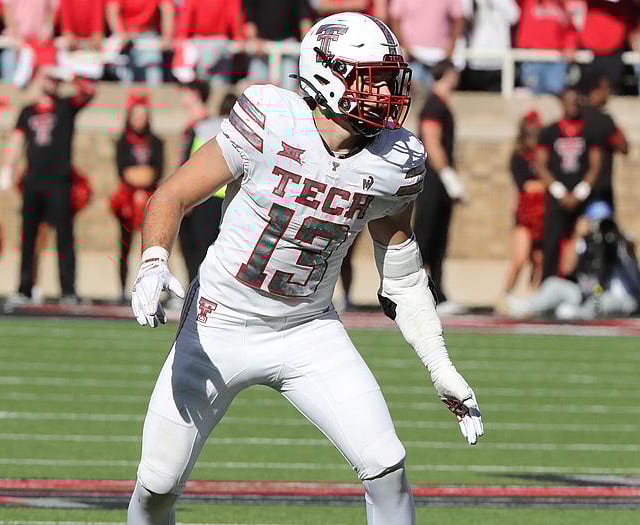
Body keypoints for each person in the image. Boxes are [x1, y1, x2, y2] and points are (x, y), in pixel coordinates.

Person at [126, 12, 483, 525]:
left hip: (308, 329)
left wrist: (439, 363)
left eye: (388, 77)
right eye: (371, 77)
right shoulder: (271, 118)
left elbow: (401, 273)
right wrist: (154, 262)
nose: (385, 91)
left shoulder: (395, 160)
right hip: (217, 320)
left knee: (387, 467)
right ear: (326, 74)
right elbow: (173, 195)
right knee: (156, 486)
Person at [0, 66, 96, 305]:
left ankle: (68, 290)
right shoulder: (27, 111)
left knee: (64, 237)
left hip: (59, 181)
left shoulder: (66, 106)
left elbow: (91, 91)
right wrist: (6, 168)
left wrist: (70, 75)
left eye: (55, 78)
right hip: (33, 181)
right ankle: (24, 288)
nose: (51, 82)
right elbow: (16, 140)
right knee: (28, 237)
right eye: (47, 77)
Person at [507, 201, 640, 320]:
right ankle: (529, 307)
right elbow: (566, 268)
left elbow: (631, 244)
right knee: (553, 284)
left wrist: (615, 235)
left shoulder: (621, 241)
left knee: (599, 301)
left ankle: (578, 312)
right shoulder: (585, 242)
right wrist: (578, 235)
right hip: (589, 293)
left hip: (618, 297)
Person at [414, 59, 466, 315]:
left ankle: (437, 294)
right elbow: (432, 142)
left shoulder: (443, 103)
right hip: (432, 180)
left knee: (439, 239)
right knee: (424, 236)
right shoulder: (434, 104)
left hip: (439, 181)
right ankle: (414, 295)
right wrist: (447, 175)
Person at [536, 85, 602, 281]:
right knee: (552, 241)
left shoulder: (590, 131)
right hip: (558, 196)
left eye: (576, 101)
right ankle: (547, 285)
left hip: (582, 197)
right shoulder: (549, 131)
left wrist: (580, 192)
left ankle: (581, 285)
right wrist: (559, 191)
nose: (573, 105)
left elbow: (595, 166)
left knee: (583, 241)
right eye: (569, 100)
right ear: (562, 102)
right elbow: (541, 165)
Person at [178, 83, 235, 286]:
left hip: (205, 197)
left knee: (200, 251)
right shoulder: (243, 131)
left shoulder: (203, 128)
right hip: (232, 201)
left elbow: (189, 163)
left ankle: (197, 291)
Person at [113, 93, 164, 303]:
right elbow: (123, 169)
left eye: (143, 116)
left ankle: (154, 288)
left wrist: (144, 182)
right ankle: (123, 288)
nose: (139, 120)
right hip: (128, 197)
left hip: (149, 197)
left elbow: (157, 169)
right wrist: (137, 182)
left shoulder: (156, 141)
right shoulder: (122, 141)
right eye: (136, 116)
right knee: (124, 244)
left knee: (154, 244)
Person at [502, 110, 544, 304]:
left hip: (544, 212)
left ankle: (533, 297)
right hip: (527, 213)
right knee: (520, 258)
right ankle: (505, 296)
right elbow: (524, 185)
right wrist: (548, 185)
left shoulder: (545, 155)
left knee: (539, 259)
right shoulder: (518, 157)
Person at [579, 71, 629, 211]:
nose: (608, 93)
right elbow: (624, 147)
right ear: (595, 91)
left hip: (573, 187)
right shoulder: (605, 121)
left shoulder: (575, 117)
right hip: (600, 188)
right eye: (605, 88)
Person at [389, 0, 464, 89]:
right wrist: (403, 45)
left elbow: (459, 18)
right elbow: (395, 18)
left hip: (440, 57)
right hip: (412, 57)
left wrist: (452, 44)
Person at [242, 0, 313, 92]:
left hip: (288, 46)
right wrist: (254, 39)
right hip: (261, 47)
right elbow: (248, 17)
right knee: (254, 91)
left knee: (288, 90)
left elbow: (305, 18)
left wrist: (307, 44)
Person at [104, 0, 175, 86]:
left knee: (152, 67)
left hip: (147, 36)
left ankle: (155, 95)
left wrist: (167, 36)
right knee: (122, 70)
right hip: (124, 34)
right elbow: (112, 9)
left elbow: (167, 8)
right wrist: (120, 34)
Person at [517, 0, 578, 96]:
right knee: (530, 92)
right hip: (532, 59)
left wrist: (570, 46)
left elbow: (570, 31)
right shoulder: (528, 2)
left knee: (554, 91)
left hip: (556, 61)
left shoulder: (562, 5)